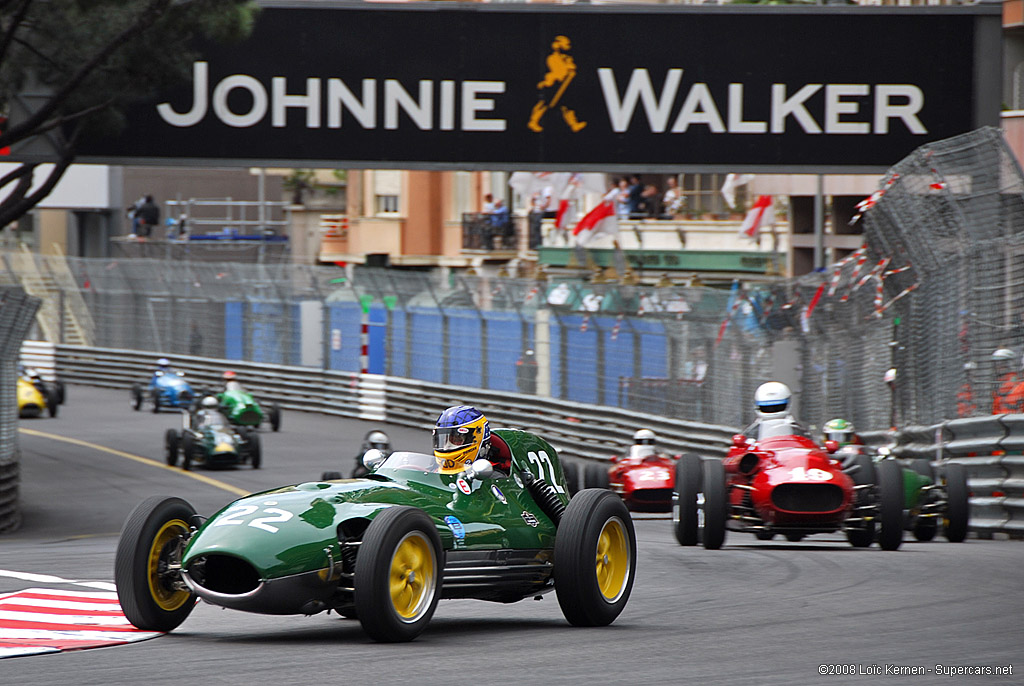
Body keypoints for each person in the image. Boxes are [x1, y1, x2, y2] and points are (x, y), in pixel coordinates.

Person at [433, 405, 510, 476]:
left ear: (477, 439)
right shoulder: (433, 468)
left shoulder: (496, 476)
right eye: (443, 440)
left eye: (456, 440)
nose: (446, 447)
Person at [741, 381, 809, 440]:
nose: (772, 409)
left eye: (778, 406)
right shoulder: (751, 433)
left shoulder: (798, 430)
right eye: (766, 407)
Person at [991, 348, 1024, 414]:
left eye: (1001, 363)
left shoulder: (1013, 380)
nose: (999, 366)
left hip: (1012, 418)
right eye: (997, 364)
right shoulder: (998, 382)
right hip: (999, 418)